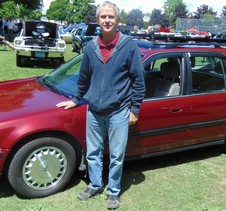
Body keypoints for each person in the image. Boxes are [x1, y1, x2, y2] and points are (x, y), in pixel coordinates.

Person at [56, 1, 145, 209]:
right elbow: (84, 77)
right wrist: (76, 99)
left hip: (119, 111)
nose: (107, 20)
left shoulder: (128, 46)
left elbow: (138, 81)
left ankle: (113, 192)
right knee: (93, 153)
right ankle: (95, 184)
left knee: (116, 155)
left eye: (111, 17)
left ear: (118, 20)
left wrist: (135, 109)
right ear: (97, 20)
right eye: (103, 17)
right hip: (94, 110)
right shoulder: (91, 47)